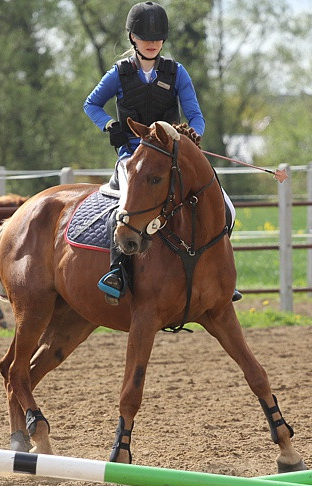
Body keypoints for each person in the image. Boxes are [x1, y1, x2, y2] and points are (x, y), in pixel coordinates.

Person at [83, 1, 239, 305]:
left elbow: (196, 115)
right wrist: (109, 126)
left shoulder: (176, 72)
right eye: (145, 38)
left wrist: (194, 134)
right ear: (132, 39)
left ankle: (219, 275)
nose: (152, 43)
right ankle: (118, 271)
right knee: (124, 211)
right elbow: (91, 104)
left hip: (169, 159)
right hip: (132, 159)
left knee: (226, 208)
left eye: (157, 38)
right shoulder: (119, 73)